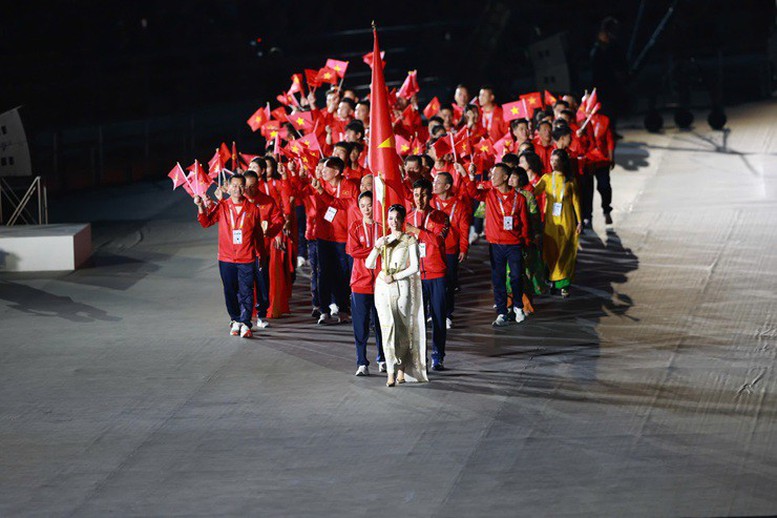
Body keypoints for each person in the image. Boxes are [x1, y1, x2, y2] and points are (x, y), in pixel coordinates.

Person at [195, 174, 265, 338]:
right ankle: (235, 320)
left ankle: (246, 323)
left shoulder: (253, 209)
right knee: (230, 290)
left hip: (246, 257)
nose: (237, 189)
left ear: (245, 188)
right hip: (226, 258)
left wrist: (261, 254)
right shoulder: (222, 207)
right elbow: (205, 222)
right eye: (234, 186)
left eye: (241, 186)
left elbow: (258, 235)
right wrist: (200, 206)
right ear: (228, 187)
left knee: (247, 291)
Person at [366, 204, 428, 386]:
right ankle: (390, 373)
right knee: (387, 330)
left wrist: (395, 276)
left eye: (397, 218)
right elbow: (369, 264)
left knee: (402, 329)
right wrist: (377, 247)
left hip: (401, 286)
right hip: (383, 286)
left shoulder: (410, 241)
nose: (393, 222)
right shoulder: (384, 240)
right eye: (390, 218)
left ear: (402, 220)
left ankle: (402, 369)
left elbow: (415, 267)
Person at [468, 163, 531, 326]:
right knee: (498, 278)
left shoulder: (520, 198)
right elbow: (472, 192)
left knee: (516, 276)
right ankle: (502, 312)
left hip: (514, 244)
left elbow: (524, 222)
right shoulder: (489, 194)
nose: (492, 177)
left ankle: (518, 306)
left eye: (495, 174)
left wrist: (526, 242)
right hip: (496, 244)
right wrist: (470, 176)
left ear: (505, 177)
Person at [406, 178, 449, 371]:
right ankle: (419, 356)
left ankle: (438, 356)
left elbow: (438, 241)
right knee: (417, 319)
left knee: (438, 317)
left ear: (430, 195)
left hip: (436, 273)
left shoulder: (440, 217)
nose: (419, 199)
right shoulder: (407, 218)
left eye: (423, 194)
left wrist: (416, 231)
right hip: (416, 274)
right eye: (416, 195)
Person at [533, 149, 582, 298]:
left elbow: (576, 202)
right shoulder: (547, 178)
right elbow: (534, 192)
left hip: (567, 221)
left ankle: (564, 284)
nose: (553, 163)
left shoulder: (571, 181)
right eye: (551, 160)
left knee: (566, 251)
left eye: (557, 160)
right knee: (551, 251)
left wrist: (579, 221)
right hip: (551, 223)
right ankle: (553, 281)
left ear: (563, 162)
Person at [347, 191, 386, 376]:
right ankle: (362, 362)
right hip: (360, 283)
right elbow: (353, 251)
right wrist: (376, 248)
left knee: (381, 324)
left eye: (369, 205)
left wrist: (374, 248)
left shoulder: (383, 227)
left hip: (380, 282)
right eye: (362, 206)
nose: (366, 209)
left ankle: (383, 358)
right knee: (361, 325)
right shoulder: (355, 227)